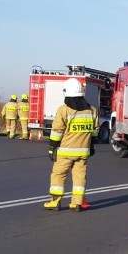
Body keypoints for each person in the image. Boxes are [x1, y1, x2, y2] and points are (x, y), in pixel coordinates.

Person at [44, 78, 99, 212]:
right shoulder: (92, 110)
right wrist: (91, 147)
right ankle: (77, 203)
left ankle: (55, 202)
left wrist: (52, 148)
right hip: (83, 152)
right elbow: (94, 132)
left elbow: (57, 131)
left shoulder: (64, 110)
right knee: (80, 177)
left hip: (65, 152)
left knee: (59, 175)